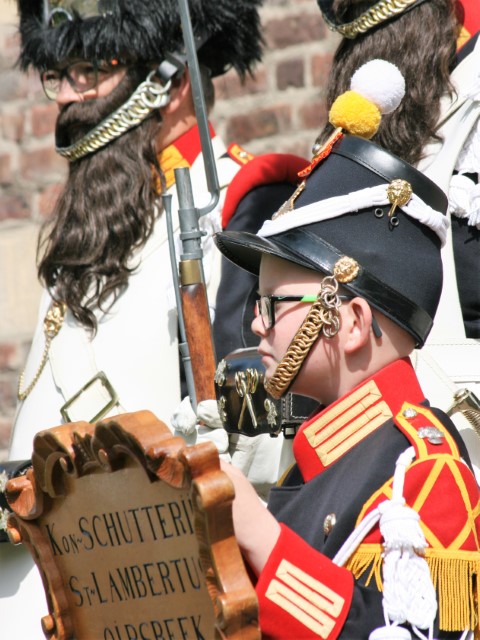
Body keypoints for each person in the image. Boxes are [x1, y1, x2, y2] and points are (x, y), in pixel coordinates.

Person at [1, 0, 263, 636]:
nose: (70, 94)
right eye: (61, 74)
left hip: (151, 595)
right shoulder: (97, 223)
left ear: (171, 84)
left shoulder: (235, 205)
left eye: (94, 69)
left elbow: (248, 445)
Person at [214, 128, 480, 638]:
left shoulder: (422, 469)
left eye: (272, 303)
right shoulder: (316, 460)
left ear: (352, 323)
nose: (256, 323)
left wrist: (263, 541)